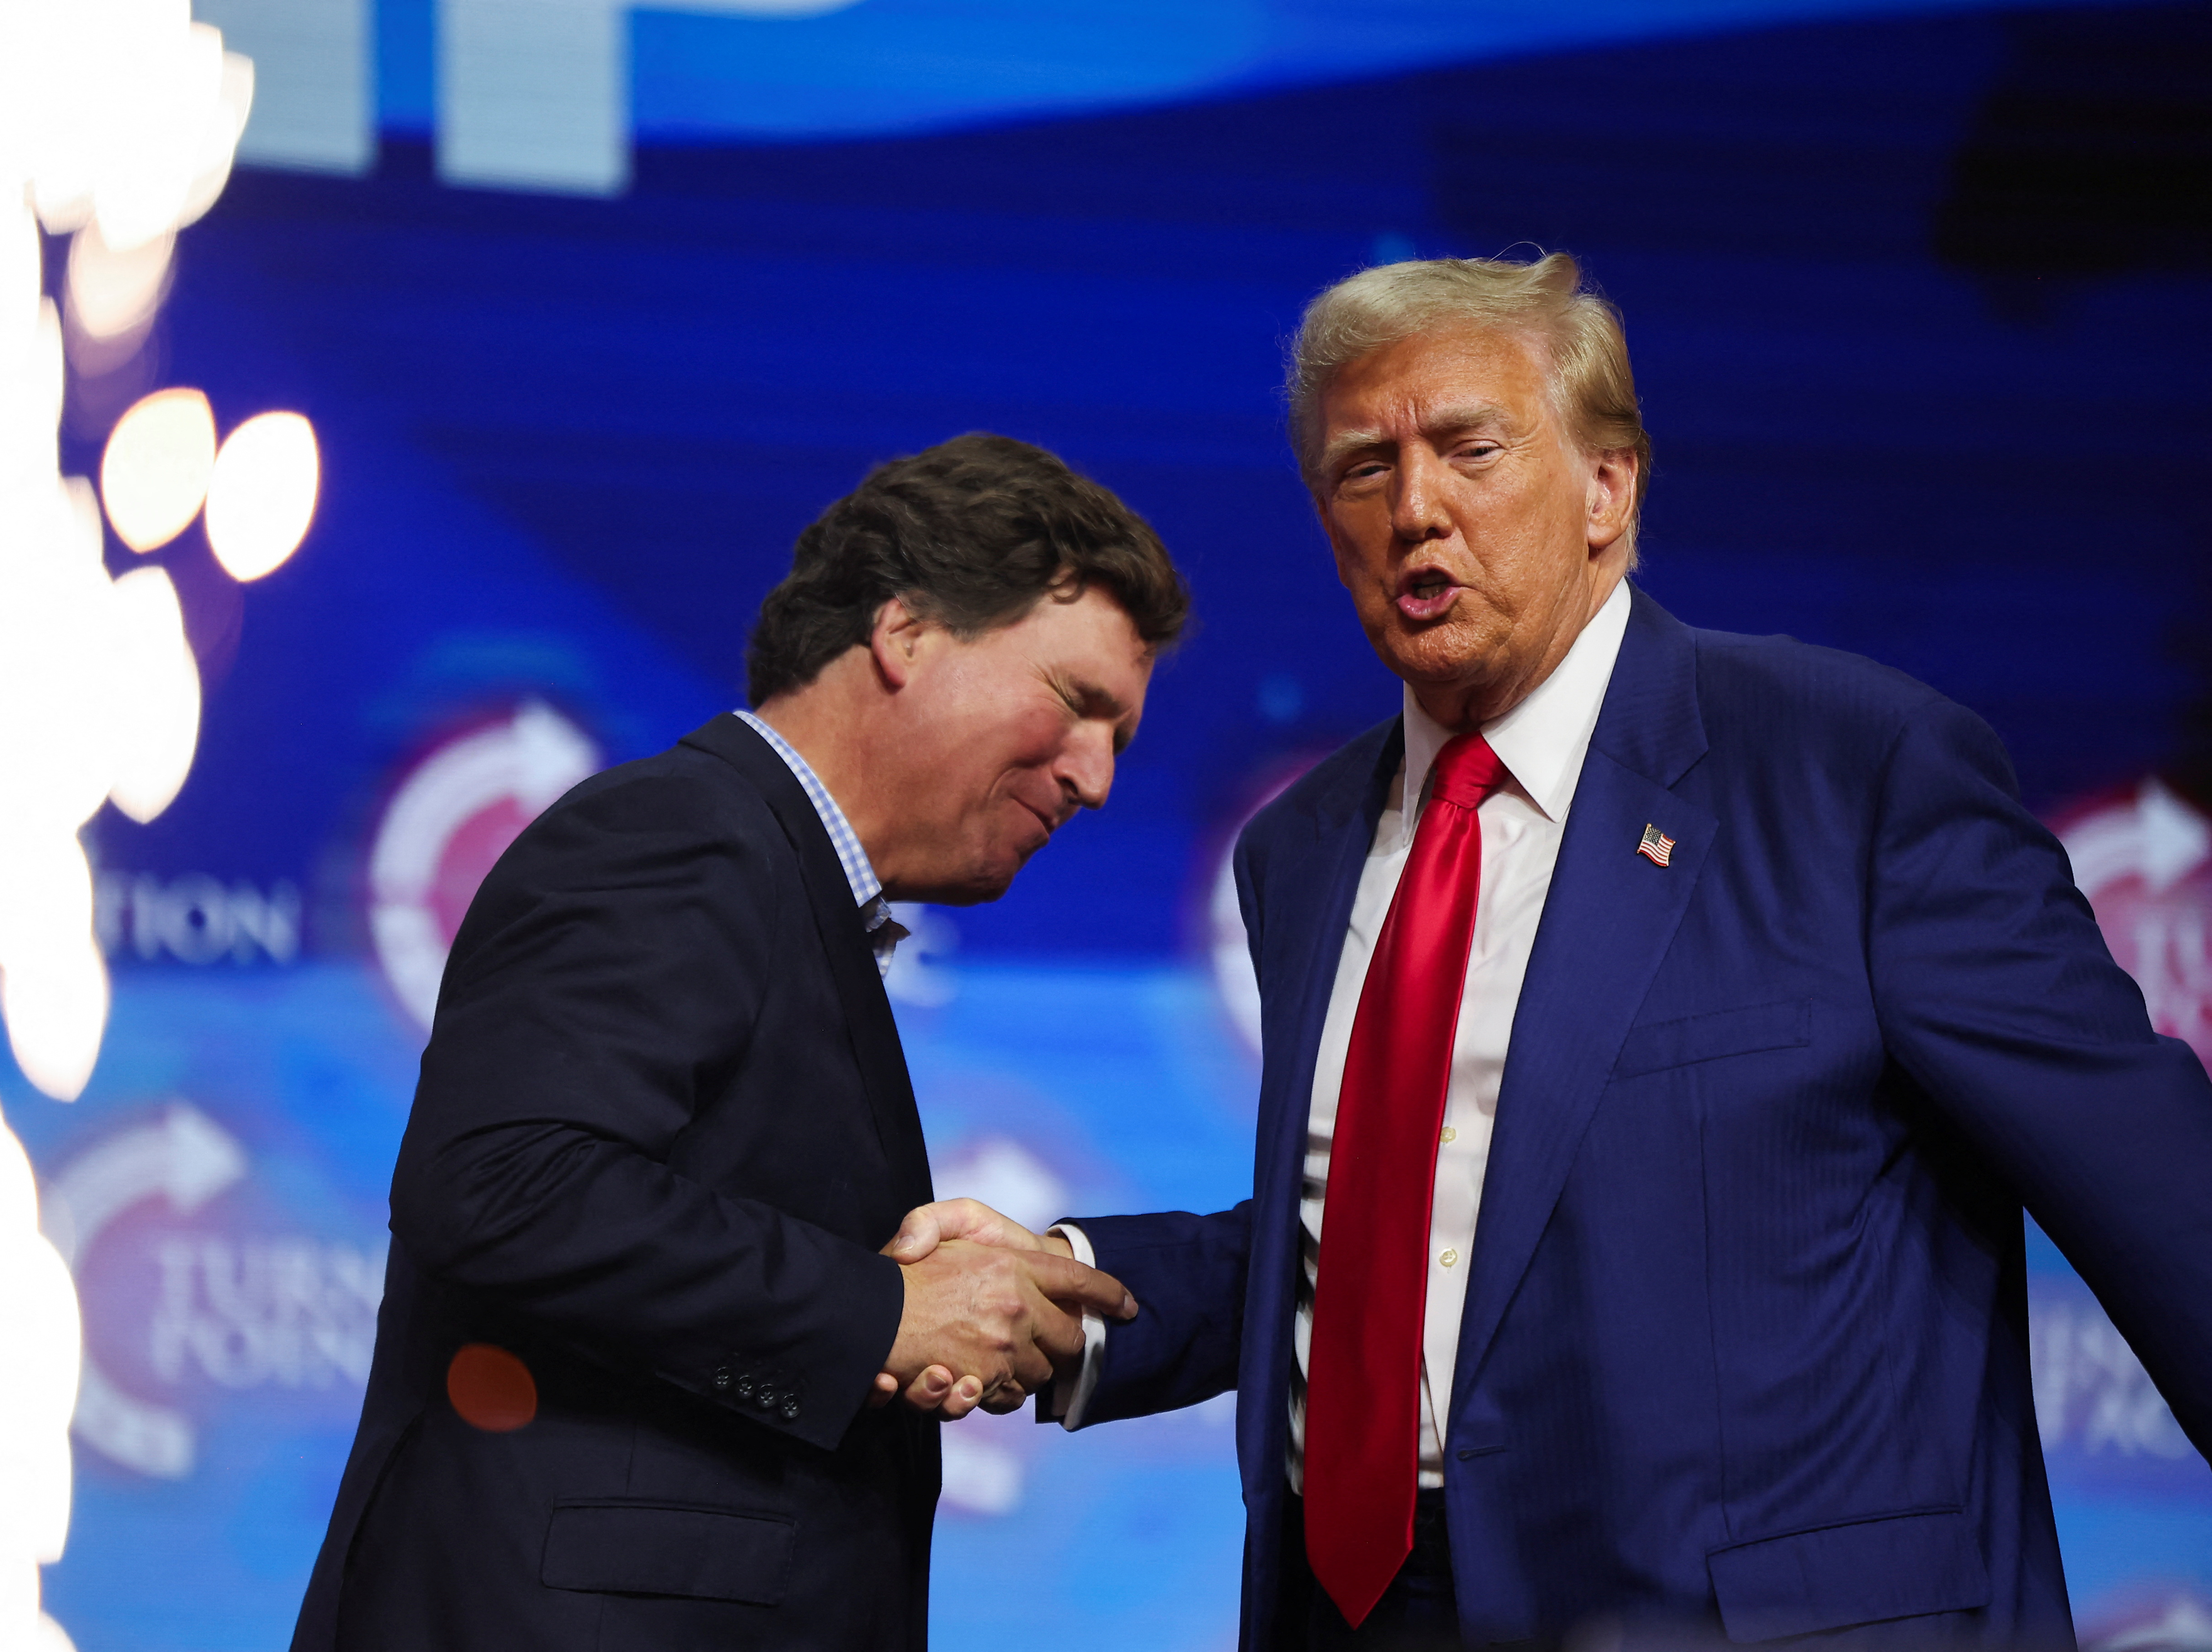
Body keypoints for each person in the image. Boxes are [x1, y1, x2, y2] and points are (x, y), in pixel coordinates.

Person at [885, 256, 2212, 1649]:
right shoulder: (1304, 850)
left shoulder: (1849, 770)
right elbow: (1413, 1233)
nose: (1413, 509)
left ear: (1607, 489)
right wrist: (1078, 1287)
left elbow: (2159, 1185)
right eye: (1360, 469)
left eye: (1470, 448)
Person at [290, 432, 1187, 1652]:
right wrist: (879, 1310)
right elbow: (499, 1182)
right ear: (906, 631)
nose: (1096, 779)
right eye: (1078, 705)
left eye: (1120, 740)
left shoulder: (791, 884)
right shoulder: (682, 833)